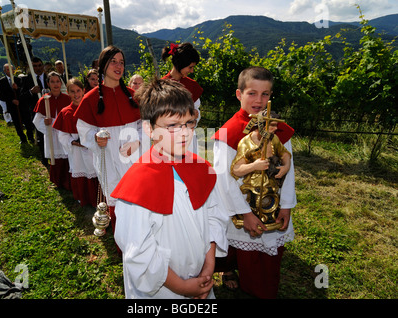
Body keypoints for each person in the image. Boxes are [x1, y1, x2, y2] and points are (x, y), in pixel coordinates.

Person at [112, 79, 228, 299]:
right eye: (172, 126)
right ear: (149, 128)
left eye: (189, 123)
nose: (184, 133)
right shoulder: (137, 185)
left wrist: (208, 268)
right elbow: (140, 253)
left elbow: (214, 217)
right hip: (164, 290)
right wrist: (184, 288)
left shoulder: (202, 169)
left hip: (201, 276)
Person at [212, 66, 296, 299]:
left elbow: (289, 170)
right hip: (240, 206)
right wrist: (244, 213)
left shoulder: (278, 130)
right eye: (252, 93)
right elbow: (224, 180)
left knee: (264, 261)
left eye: (265, 94)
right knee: (233, 247)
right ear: (239, 95)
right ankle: (228, 270)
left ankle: (259, 288)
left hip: (271, 201)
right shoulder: (229, 132)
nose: (259, 100)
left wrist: (287, 205)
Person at [74, 45, 142, 237]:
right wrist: (95, 139)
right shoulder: (90, 98)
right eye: (113, 61)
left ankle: (139, 233)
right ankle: (122, 237)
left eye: (121, 62)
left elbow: (143, 126)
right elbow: (84, 131)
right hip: (108, 154)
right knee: (114, 194)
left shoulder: (133, 95)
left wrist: (137, 142)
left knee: (136, 193)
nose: (118, 66)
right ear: (103, 66)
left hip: (133, 154)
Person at [53, 78, 99, 207]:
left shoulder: (92, 108)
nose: (76, 94)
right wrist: (73, 142)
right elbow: (61, 134)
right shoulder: (65, 112)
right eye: (72, 91)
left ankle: (97, 199)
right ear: (68, 93)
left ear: (84, 91)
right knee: (81, 170)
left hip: (92, 148)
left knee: (95, 169)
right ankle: (83, 198)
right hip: (77, 150)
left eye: (78, 90)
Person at [161, 42, 203, 153]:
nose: (192, 71)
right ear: (181, 64)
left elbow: (196, 111)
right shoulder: (162, 86)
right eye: (190, 67)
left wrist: (194, 116)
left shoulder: (192, 85)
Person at [33, 71, 72, 189]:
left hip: (64, 132)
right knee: (55, 157)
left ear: (61, 83)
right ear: (48, 84)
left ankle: (68, 181)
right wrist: (45, 125)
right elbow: (36, 120)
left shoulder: (67, 99)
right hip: (51, 133)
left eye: (57, 81)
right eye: (52, 82)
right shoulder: (44, 100)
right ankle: (57, 180)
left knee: (66, 156)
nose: (55, 84)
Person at [19, 56, 48, 164]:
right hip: (37, 111)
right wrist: (31, 92)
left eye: (40, 65)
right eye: (35, 66)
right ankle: (44, 157)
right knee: (41, 134)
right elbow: (21, 97)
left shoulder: (48, 77)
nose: (38, 68)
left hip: (50, 109)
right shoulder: (27, 79)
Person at [0, 64, 34, 144]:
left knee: (27, 121)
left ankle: (30, 136)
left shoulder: (19, 79)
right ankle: (22, 138)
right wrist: (11, 100)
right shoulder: (1, 81)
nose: (10, 71)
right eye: (7, 69)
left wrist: (17, 89)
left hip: (22, 104)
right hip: (12, 106)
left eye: (11, 69)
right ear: (4, 71)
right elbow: (2, 95)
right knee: (17, 123)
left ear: (14, 70)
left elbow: (24, 92)